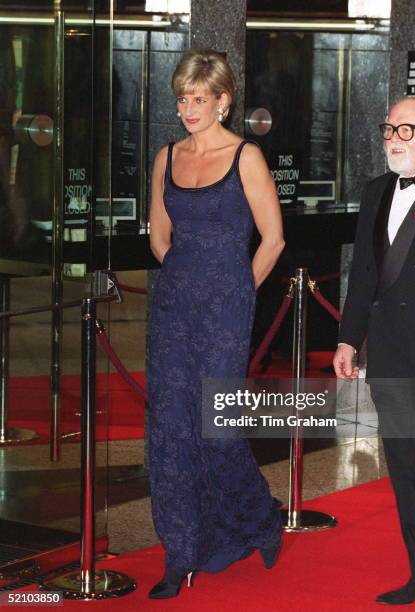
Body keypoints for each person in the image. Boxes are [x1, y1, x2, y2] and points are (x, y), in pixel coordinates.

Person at [147, 48, 285, 600]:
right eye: (182, 98)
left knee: (218, 429)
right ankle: (180, 551)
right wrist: (186, 279)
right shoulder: (167, 156)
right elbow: (159, 236)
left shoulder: (246, 156)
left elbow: (272, 240)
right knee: (170, 431)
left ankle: (258, 518)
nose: (188, 108)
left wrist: (234, 292)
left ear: (223, 100)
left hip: (227, 306)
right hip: (174, 306)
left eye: (199, 99)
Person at [333, 96, 415, 605]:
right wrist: (347, 337)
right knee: (404, 466)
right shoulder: (376, 190)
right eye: (389, 128)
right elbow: (363, 275)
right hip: (390, 354)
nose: (393, 137)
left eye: (406, 129)